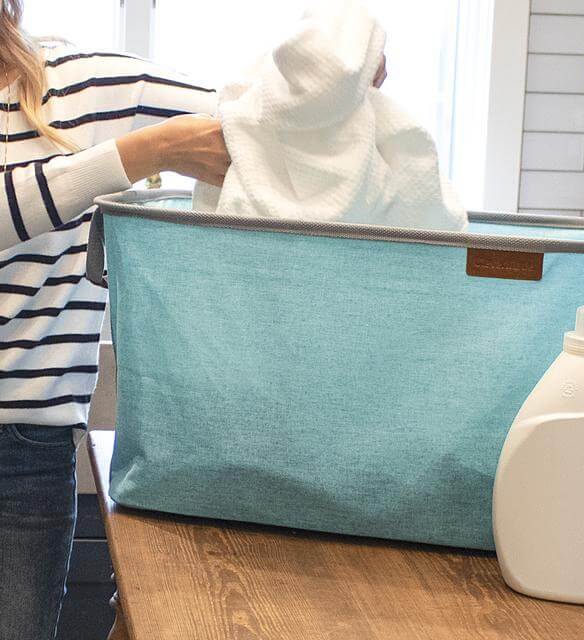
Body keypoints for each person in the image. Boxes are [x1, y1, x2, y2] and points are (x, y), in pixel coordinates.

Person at [0, 1, 387, 637]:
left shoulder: (90, 83)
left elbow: (272, 111)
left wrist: (343, 62)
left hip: (28, 454)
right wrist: (143, 151)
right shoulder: (121, 122)